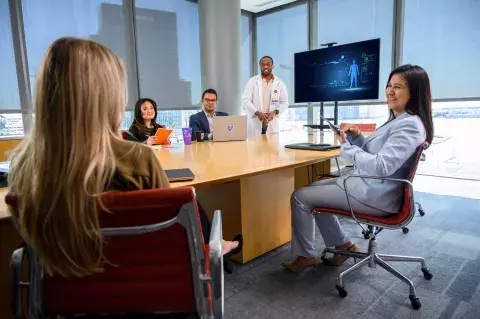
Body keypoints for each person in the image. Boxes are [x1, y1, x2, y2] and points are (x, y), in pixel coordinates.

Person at [7, 37, 241, 282]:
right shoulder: (137, 160)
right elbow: (175, 235)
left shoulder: (22, 167)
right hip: (141, 288)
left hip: (62, 300)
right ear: (109, 97)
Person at [281, 64, 434, 273]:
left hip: (375, 194)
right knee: (315, 188)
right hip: (370, 185)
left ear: (414, 92)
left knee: (300, 196)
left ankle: (305, 256)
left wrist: (346, 149)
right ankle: (343, 246)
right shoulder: (401, 120)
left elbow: (381, 166)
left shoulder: (409, 125)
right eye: (389, 85)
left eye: (398, 87)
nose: (390, 91)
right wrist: (357, 138)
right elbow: (378, 154)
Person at [242, 56, 289, 136]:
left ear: (272, 66)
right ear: (260, 66)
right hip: (256, 121)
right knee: (255, 147)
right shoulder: (252, 81)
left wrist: (274, 112)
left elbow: (285, 103)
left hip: (272, 123)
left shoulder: (280, 83)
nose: (265, 67)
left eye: (268, 64)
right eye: (263, 65)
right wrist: (258, 113)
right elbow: (245, 100)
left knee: (272, 147)